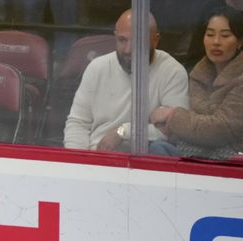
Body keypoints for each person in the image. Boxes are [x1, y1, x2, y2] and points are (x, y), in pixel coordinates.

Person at [63, 9, 189, 152]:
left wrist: (123, 132)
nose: (128, 49)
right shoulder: (97, 67)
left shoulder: (172, 72)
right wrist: (79, 160)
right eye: (122, 40)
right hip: (94, 158)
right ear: (115, 37)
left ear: (155, 40)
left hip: (143, 165)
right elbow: (78, 122)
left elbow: (173, 132)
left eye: (138, 41)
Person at [149, 5, 243, 159]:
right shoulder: (198, 74)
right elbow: (198, 125)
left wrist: (173, 116)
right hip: (195, 151)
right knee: (157, 149)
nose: (216, 42)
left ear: (239, 41)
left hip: (230, 158)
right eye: (210, 34)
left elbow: (219, 130)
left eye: (225, 36)